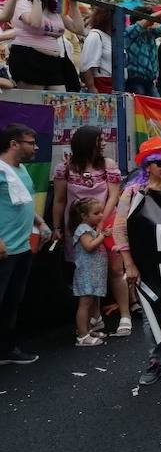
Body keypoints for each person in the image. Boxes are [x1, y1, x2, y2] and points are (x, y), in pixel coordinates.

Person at [113, 138, 161, 384]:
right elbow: (119, 228)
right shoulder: (132, 193)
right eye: (160, 163)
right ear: (147, 166)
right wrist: (129, 263)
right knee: (149, 314)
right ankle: (154, 360)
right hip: (145, 263)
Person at [51, 126, 129, 336]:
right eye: (99, 140)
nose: (103, 144)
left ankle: (125, 315)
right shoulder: (64, 168)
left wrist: (102, 222)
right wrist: (57, 227)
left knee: (115, 269)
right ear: (87, 143)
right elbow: (59, 200)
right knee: (88, 270)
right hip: (77, 228)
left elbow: (113, 196)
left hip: (106, 222)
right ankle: (95, 317)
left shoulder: (108, 166)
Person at [0, 124, 50, 365]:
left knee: (12, 301)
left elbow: (24, 202)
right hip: (4, 249)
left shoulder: (21, 170)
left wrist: (40, 223)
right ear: (13, 144)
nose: (36, 147)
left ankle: (6, 349)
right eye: (30, 142)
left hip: (21, 248)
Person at [2, 0, 85, 91]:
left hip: (54, 62)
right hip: (29, 59)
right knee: (36, 103)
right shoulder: (23, 2)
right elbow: (35, 23)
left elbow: (78, 29)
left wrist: (73, 4)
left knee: (57, 103)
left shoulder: (54, 7)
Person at [70, 198, 111, 347]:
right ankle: (82, 335)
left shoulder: (90, 229)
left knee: (91, 301)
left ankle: (87, 329)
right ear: (84, 215)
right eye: (96, 213)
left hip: (93, 273)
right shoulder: (83, 230)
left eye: (101, 212)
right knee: (85, 304)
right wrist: (103, 236)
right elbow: (89, 246)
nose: (101, 215)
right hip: (86, 273)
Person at [124, 3, 161, 96]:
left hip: (149, 80)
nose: (154, 22)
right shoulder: (130, 31)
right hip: (135, 80)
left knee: (157, 105)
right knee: (141, 107)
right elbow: (149, 19)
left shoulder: (150, 33)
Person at [80, 5, 113, 93]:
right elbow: (86, 64)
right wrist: (92, 87)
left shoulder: (115, 39)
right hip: (102, 84)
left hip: (117, 85)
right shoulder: (95, 35)